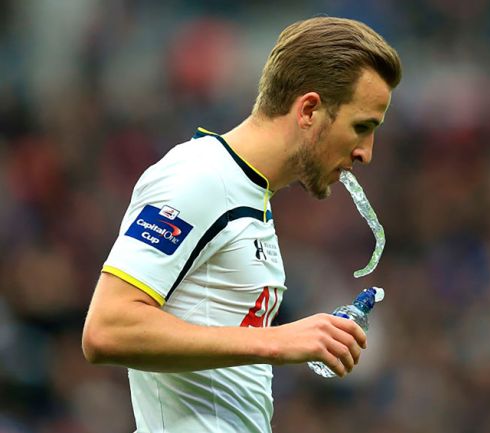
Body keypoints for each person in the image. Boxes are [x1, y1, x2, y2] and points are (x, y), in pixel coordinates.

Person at [81, 16, 402, 433]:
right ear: (309, 110)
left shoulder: (251, 197)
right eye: (362, 127)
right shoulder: (199, 177)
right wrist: (278, 340)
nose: (366, 153)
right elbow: (107, 329)